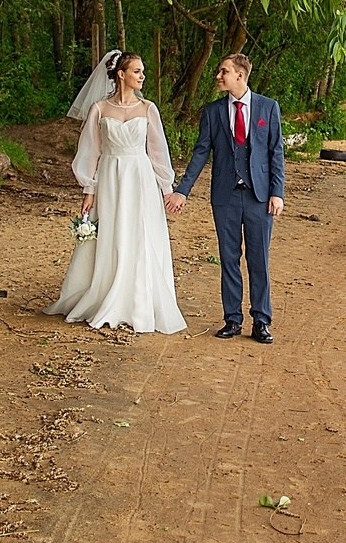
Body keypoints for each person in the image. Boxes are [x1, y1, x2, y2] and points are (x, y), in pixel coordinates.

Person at [47, 49, 187, 334]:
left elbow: (158, 151)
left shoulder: (148, 109)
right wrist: (89, 189)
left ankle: (138, 300)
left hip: (140, 178)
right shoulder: (99, 109)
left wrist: (166, 188)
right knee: (112, 232)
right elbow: (90, 151)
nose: (142, 76)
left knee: (139, 233)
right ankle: (106, 292)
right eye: (137, 71)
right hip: (110, 177)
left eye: (142, 71)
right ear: (121, 74)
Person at [167, 52, 285, 342]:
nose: (218, 76)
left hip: (260, 197)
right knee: (229, 258)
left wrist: (277, 192)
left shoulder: (268, 107)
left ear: (239, 76)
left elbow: (276, 152)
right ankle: (232, 319)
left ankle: (261, 321)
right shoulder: (213, 111)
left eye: (223, 71)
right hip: (225, 197)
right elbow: (200, 153)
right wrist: (182, 190)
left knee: (259, 259)